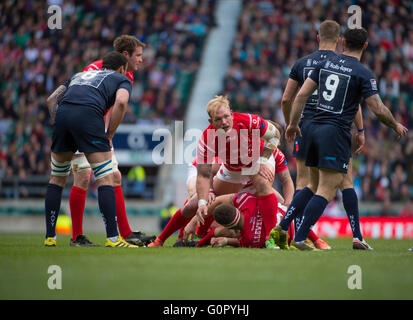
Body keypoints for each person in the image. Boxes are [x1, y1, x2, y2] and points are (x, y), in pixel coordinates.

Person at [273, 27, 408, 250]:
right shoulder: (362, 73)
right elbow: (377, 107)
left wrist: (293, 124)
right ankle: (299, 237)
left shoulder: (324, 64)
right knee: (328, 188)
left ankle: (283, 227)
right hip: (334, 132)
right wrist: (394, 124)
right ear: (365, 46)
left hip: (312, 128)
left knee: (310, 185)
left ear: (343, 42)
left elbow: (300, 96)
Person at [149, 95, 282, 247]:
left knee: (264, 186)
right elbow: (204, 175)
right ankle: (161, 240)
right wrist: (203, 201)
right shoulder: (207, 138)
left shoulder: (250, 120)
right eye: (218, 119)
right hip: (231, 171)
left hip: (256, 161)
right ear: (210, 121)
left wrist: (263, 160)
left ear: (232, 113)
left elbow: (275, 135)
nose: (224, 122)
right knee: (195, 203)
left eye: (226, 116)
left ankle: (272, 238)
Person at [280, 20, 368, 249]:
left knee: (305, 183)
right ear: (340, 40)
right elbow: (354, 103)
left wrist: (292, 124)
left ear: (318, 37)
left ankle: (288, 232)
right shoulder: (340, 64)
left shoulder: (301, 63)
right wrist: (360, 130)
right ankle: (352, 235)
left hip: (304, 127)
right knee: (343, 180)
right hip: (332, 128)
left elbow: (287, 99)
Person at [67, 35, 155, 246]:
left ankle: (126, 234)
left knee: (115, 176)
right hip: (81, 123)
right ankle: (76, 237)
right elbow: (113, 104)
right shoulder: (108, 72)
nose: (142, 60)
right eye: (138, 55)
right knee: (83, 177)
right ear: (125, 56)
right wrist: (109, 135)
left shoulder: (118, 71)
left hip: (93, 125)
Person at [44, 51, 138, 248]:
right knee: (105, 177)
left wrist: (59, 121)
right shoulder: (121, 78)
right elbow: (121, 102)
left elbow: (51, 99)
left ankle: (50, 237)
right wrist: (110, 132)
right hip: (88, 116)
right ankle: (113, 239)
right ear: (122, 68)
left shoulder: (79, 75)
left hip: (63, 116)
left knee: (57, 178)